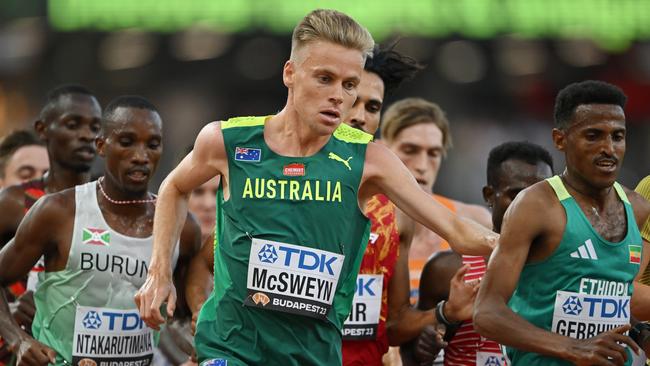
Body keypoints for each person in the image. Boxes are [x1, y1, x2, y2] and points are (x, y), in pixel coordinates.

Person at [135, 9, 496, 366]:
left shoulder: (369, 160)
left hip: (312, 355)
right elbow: (173, 188)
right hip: (230, 349)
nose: (339, 96)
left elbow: (457, 231)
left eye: (349, 84)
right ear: (290, 73)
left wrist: (526, 240)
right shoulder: (226, 140)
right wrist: (159, 273)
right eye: (325, 79)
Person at [0, 96, 201, 365]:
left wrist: (196, 350)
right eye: (127, 142)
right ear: (101, 145)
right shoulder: (58, 211)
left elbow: (183, 318)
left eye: (152, 145)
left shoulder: (182, 226)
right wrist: (17, 338)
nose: (141, 156)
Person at [474, 80, 650, 365]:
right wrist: (573, 347)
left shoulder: (638, 208)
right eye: (593, 136)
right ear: (559, 139)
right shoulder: (536, 205)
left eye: (618, 136)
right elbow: (487, 312)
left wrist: (639, 331)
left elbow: (610, 298)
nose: (609, 148)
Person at [407, 141, 554, 365]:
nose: (529, 207)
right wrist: (425, 346)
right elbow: (411, 353)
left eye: (540, 196)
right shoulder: (448, 270)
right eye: (516, 195)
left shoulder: (567, 266)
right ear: (489, 195)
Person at [378, 98, 492, 304]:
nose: (422, 165)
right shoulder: (364, 224)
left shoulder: (477, 221)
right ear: (381, 150)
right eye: (410, 150)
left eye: (433, 153)